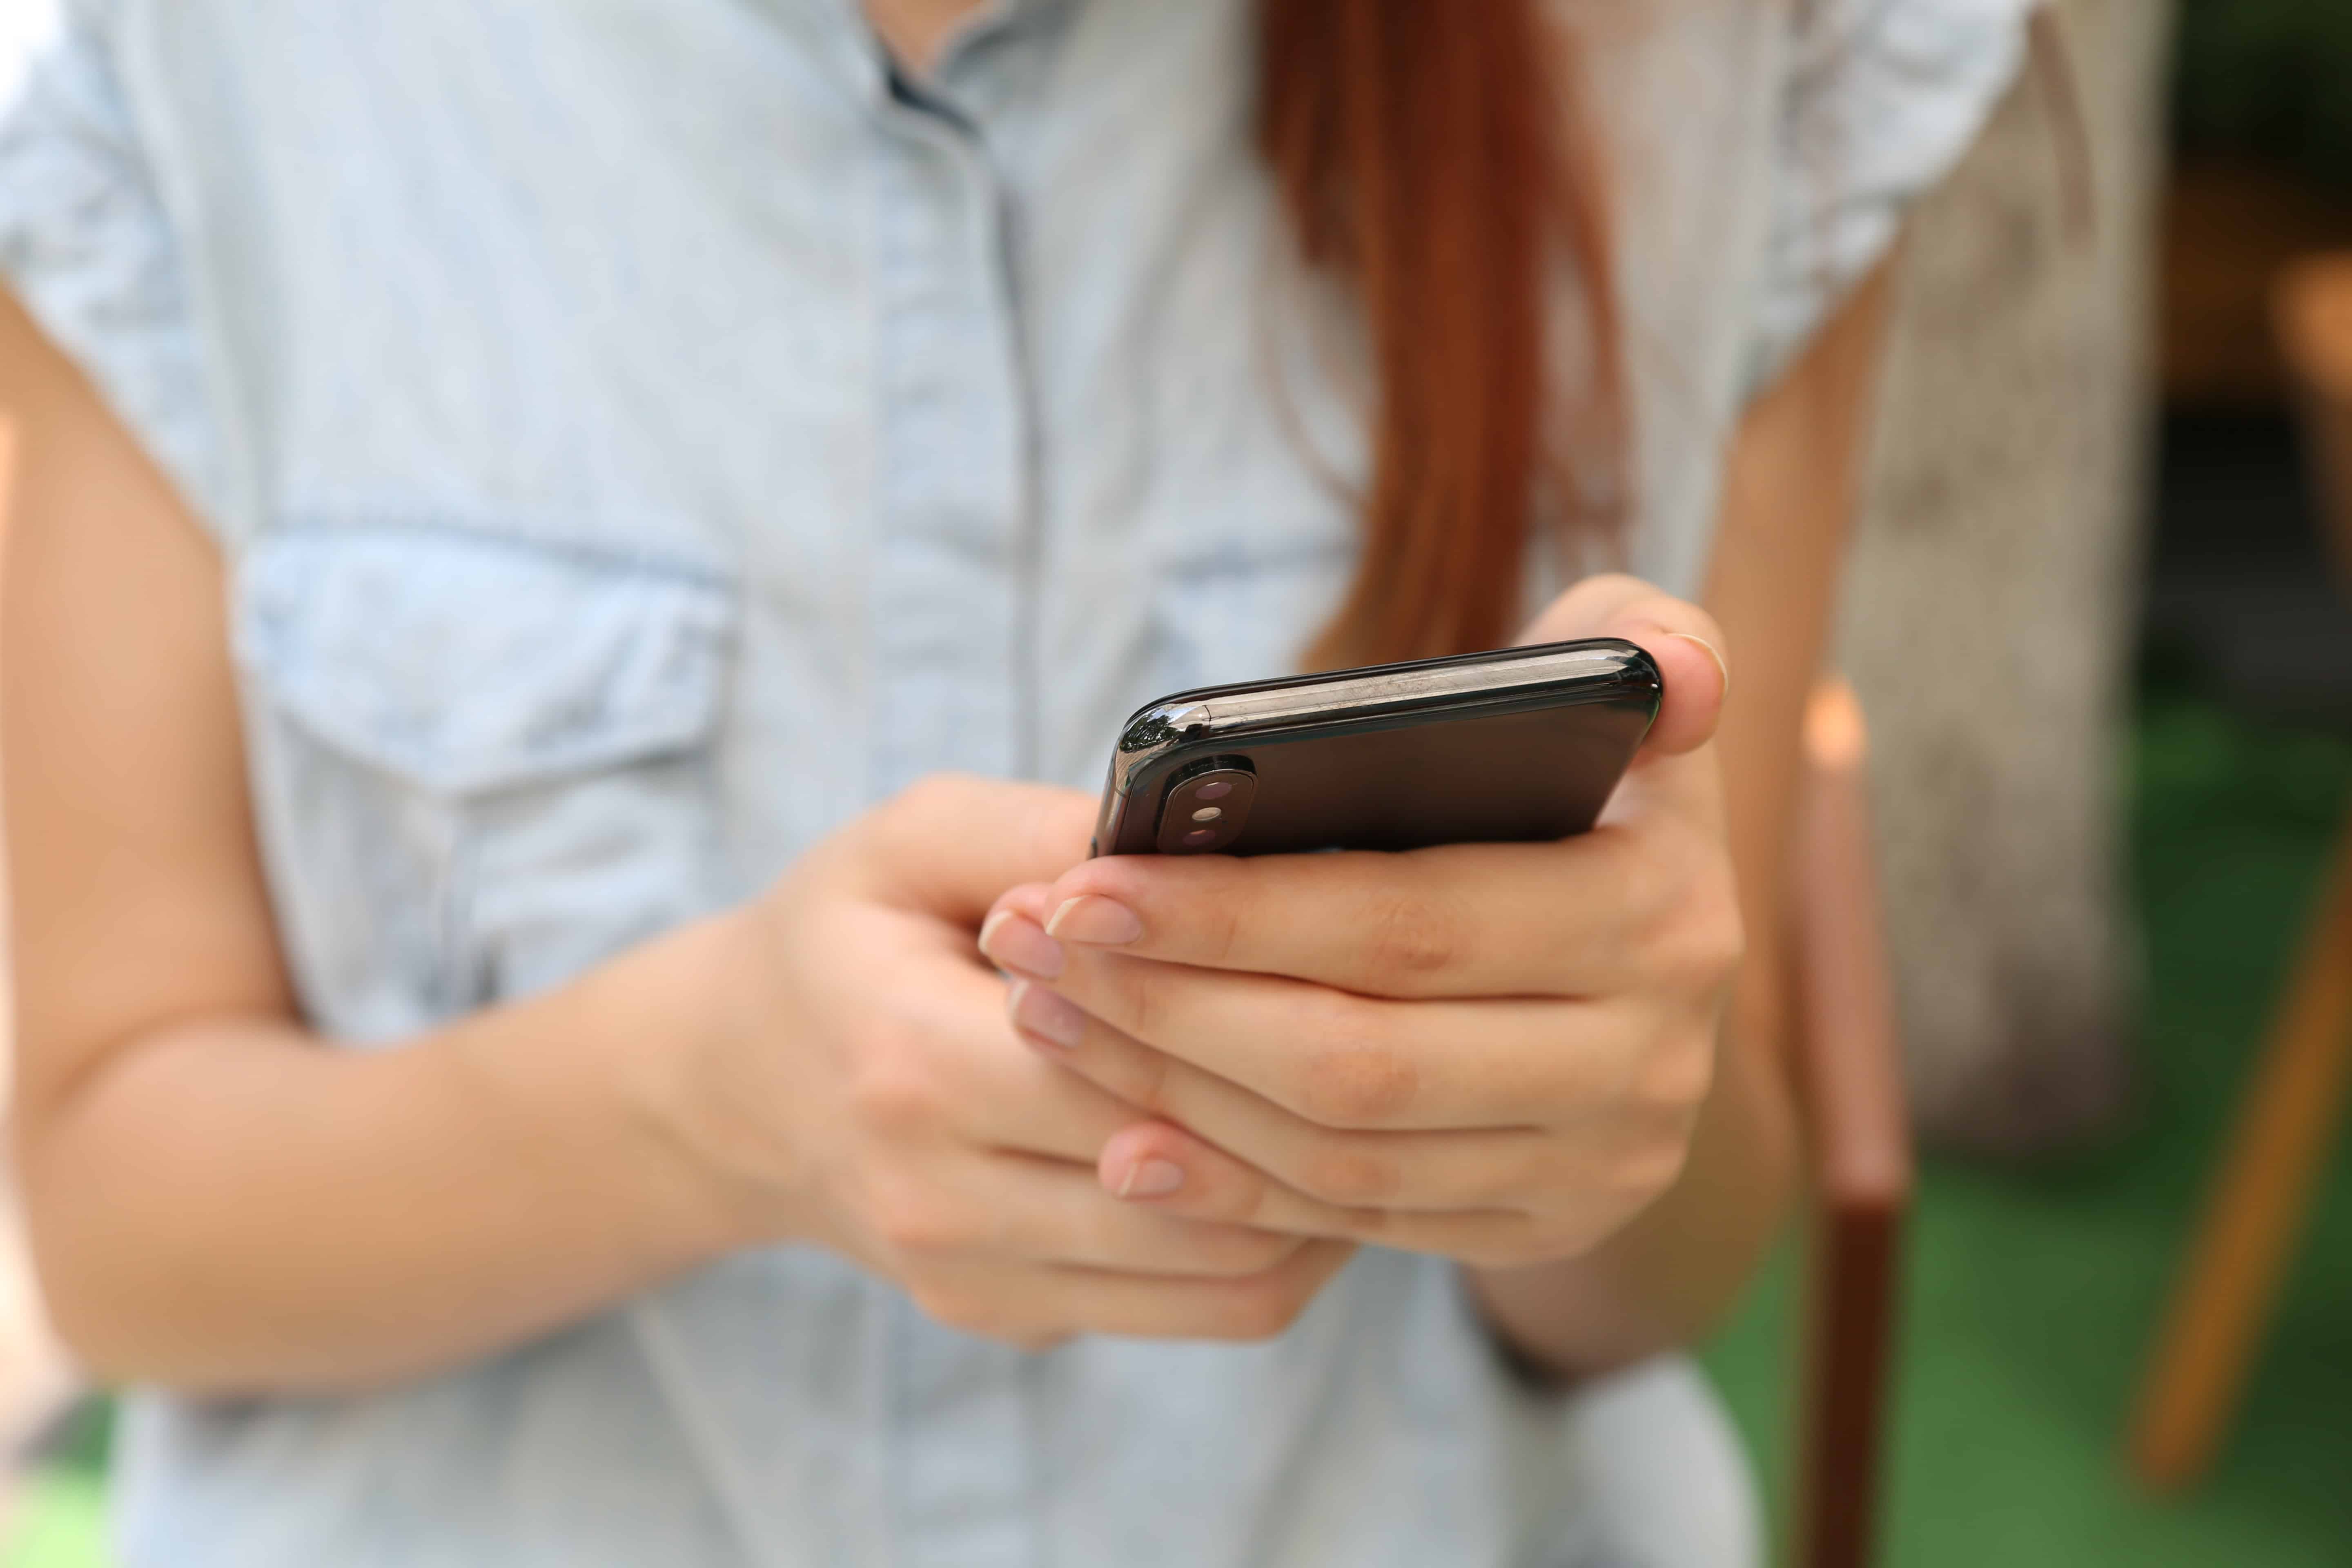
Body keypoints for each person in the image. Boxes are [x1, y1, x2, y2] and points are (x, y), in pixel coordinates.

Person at [0, 1, 2027, 1562]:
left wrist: (1595, 1114)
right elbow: (118, 1228)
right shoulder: (194, 71)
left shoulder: (1728, 51)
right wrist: (701, 1103)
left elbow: (1675, 1262)